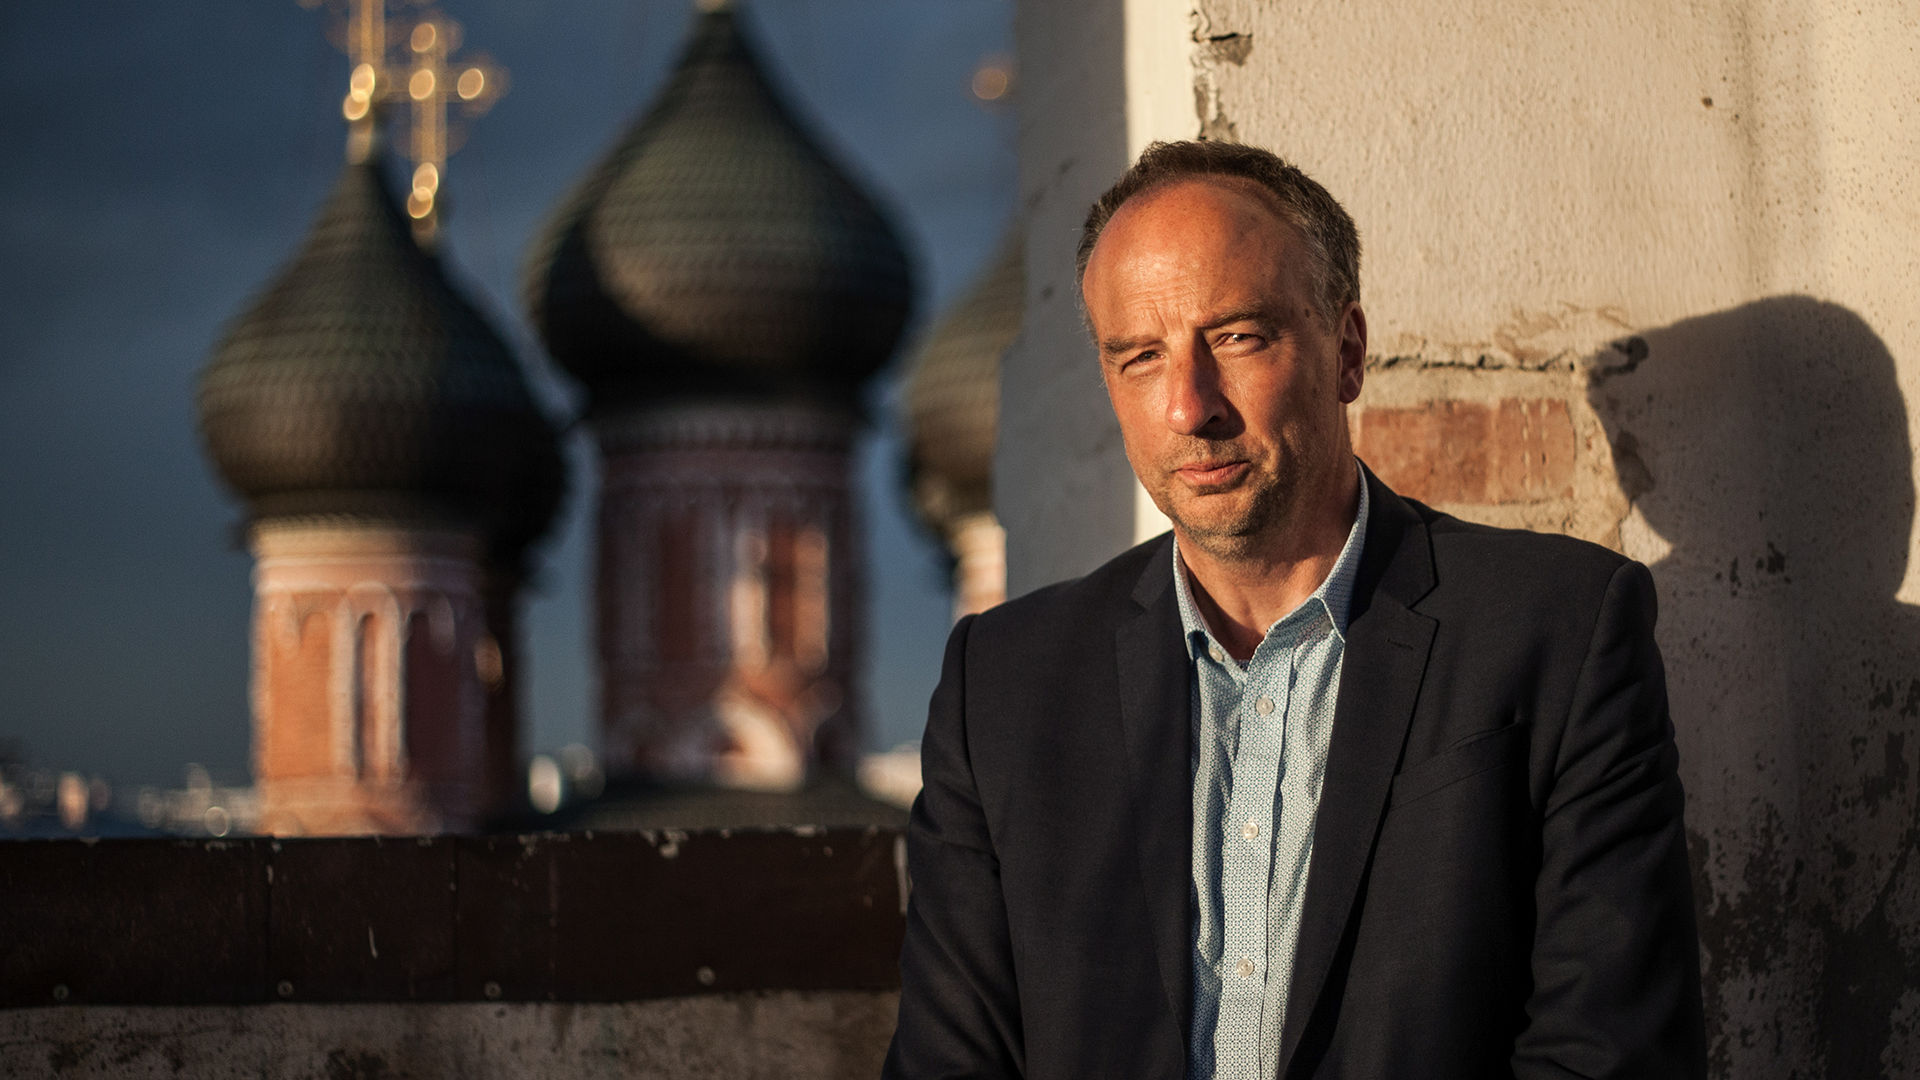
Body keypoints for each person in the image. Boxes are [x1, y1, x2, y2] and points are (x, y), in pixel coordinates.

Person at [883, 140, 1705, 1079]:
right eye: (1140, 357)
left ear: (1346, 352)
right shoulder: (1004, 685)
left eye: (1237, 337)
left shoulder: (1556, 629)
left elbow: (1612, 1054)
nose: (1189, 407)